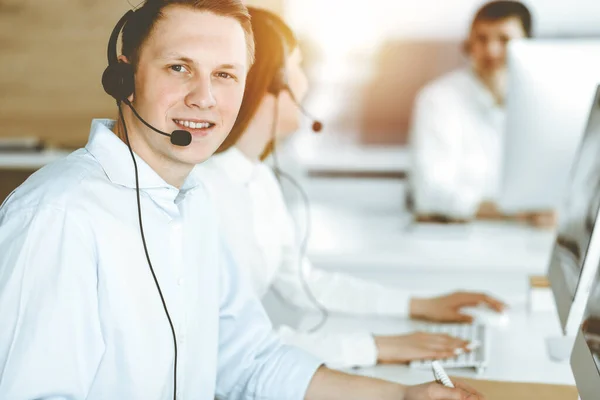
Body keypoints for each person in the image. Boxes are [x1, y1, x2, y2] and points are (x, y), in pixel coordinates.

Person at [0, 1, 484, 399]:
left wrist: (403, 396)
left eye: (226, 75)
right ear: (124, 79)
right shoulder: (58, 217)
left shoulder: (194, 204)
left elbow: (249, 362)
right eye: (179, 67)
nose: (205, 97)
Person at [196, 6, 504, 370]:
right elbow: (232, 346)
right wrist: (375, 347)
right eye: (297, 67)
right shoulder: (205, 192)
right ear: (273, 81)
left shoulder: (257, 177)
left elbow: (305, 283)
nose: (306, 83)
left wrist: (419, 305)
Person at [409, 0, 554, 227]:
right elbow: (429, 194)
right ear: (469, 44)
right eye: (482, 39)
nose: (491, 50)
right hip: (460, 238)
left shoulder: (548, 102)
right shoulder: (438, 99)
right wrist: (514, 213)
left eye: (504, 40)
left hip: (532, 237)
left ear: (528, 45)